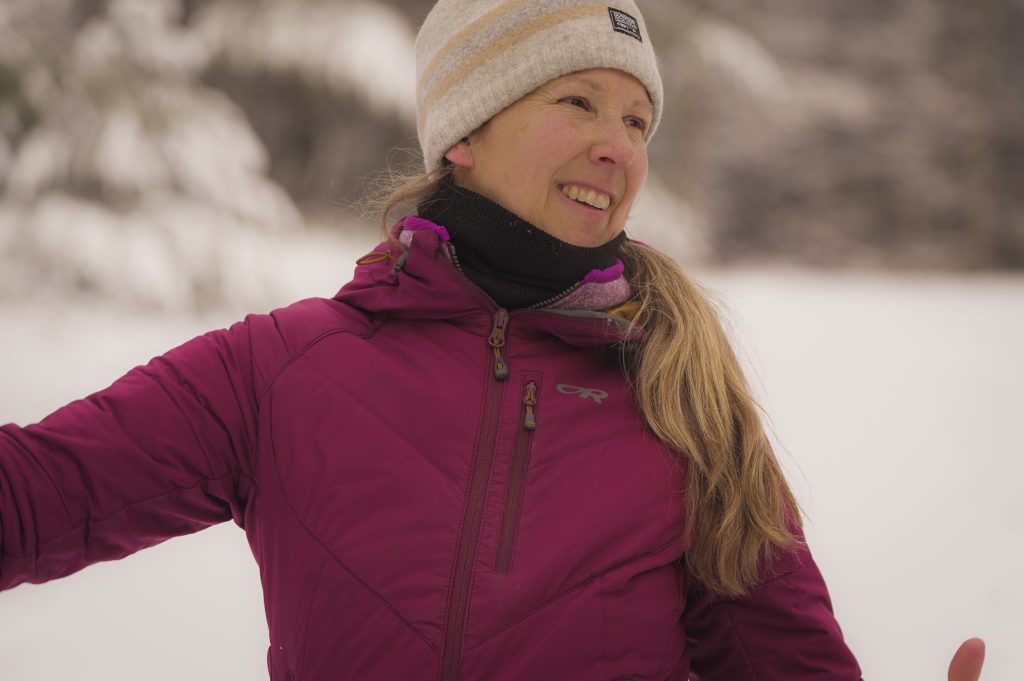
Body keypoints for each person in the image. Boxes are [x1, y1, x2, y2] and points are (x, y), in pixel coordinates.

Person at [0, 1, 984, 679]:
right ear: (463, 133)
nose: (620, 146)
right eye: (577, 103)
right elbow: (37, 497)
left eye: (638, 119)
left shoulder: (685, 401)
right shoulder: (280, 371)